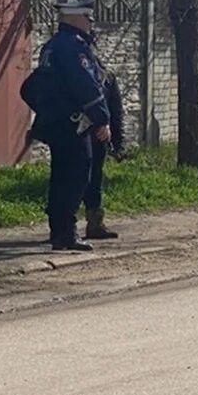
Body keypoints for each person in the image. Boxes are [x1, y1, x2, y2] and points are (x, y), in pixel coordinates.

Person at [30, 0, 112, 252]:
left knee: (60, 177)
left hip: (56, 123)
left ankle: (60, 231)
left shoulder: (53, 46)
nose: (91, 23)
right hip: (73, 124)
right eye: (88, 18)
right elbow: (85, 86)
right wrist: (102, 119)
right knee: (76, 176)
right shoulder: (73, 48)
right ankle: (66, 233)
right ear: (75, 19)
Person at [82, 29, 125, 240]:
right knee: (72, 181)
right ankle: (64, 226)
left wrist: (118, 142)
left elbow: (115, 111)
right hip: (76, 137)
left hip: (99, 138)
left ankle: (95, 223)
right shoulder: (74, 76)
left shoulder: (106, 77)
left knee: (95, 181)